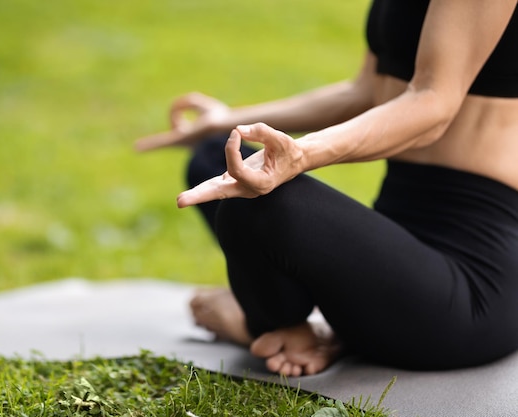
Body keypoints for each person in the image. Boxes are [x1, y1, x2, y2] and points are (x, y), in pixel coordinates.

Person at [136, 0, 518, 377]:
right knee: (213, 159)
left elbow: (432, 105)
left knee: (253, 201)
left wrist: (300, 155)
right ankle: (311, 330)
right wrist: (226, 122)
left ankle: (262, 326)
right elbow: (364, 91)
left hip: (471, 291)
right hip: (401, 251)